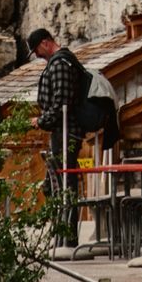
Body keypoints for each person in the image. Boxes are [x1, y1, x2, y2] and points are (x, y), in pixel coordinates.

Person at [28, 27, 90, 174]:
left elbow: (62, 103)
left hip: (66, 132)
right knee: (55, 179)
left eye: (36, 50)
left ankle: (68, 198)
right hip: (62, 131)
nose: (37, 55)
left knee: (62, 179)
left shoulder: (59, 64)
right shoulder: (62, 61)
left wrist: (42, 120)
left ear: (45, 43)